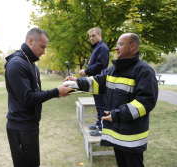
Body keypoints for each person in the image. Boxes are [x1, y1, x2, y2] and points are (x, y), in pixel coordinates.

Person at [65, 33, 158, 167]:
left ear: (132, 47)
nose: (116, 48)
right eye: (116, 45)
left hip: (131, 137)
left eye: (120, 44)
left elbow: (146, 102)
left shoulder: (144, 70)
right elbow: (97, 82)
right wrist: (76, 82)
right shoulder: (114, 69)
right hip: (117, 134)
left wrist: (116, 115)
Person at [4, 28, 72, 167]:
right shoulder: (17, 63)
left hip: (30, 125)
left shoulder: (31, 63)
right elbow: (27, 98)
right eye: (42, 47)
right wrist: (55, 92)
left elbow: (36, 93)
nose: (44, 52)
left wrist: (57, 93)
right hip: (21, 127)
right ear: (30, 41)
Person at [78, 27, 109, 136]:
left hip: (100, 82)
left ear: (100, 35)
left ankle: (102, 128)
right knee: (98, 104)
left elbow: (100, 65)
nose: (91, 38)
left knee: (102, 105)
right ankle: (98, 124)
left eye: (94, 36)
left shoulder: (102, 48)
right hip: (95, 82)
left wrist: (86, 70)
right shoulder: (97, 48)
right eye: (90, 36)